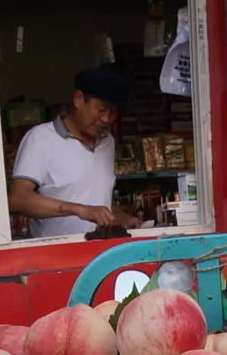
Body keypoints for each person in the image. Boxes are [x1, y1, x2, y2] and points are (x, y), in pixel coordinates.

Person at [9, 67, 136, 239]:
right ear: (78, 99)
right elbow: (17, 199)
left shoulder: (107, 142)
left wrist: (122, 218)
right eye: (101, 109)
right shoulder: (41, 139)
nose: (106, 119)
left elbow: (94, 196)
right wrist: (78, 209)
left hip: (100, 254)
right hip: (56, 255)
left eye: (113, 112)